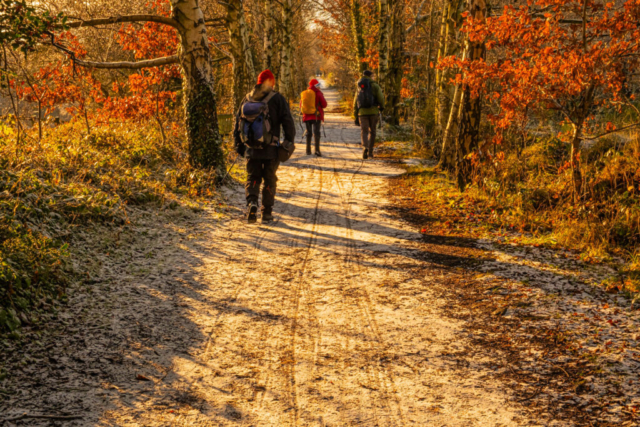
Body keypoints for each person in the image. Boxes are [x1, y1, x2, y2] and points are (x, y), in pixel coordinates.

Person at [233, 69, 296, 223]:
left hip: (251, 149)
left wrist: (239, 145)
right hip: (271, 149)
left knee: (252, 177)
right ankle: (266, 213)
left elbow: (237, 124)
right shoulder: (277, 99)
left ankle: (252, 204)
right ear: (271, 82)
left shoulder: (247, 98)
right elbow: (288, 122)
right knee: (269, 180)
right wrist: (288, 142)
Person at [353, 70, 385, 159]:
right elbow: (381, 98)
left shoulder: (359, 86)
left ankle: (365, 147)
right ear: (371, 76)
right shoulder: (375, 85)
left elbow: (355, 101)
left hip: (362, 113)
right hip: (373, 112)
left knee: (364, 131)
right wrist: (381, 107)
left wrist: (355, 114)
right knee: (373, 131)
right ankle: (370, 152)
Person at [300, 78, 328, 156]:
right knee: (316, 133)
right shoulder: (318, 93)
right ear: (316, 85)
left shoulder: (305, 93)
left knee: (308, 133)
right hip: (316, 116)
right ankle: (317, 150)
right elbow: (324, 105)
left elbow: (301, 105)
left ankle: (308, 150)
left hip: (306, 116)